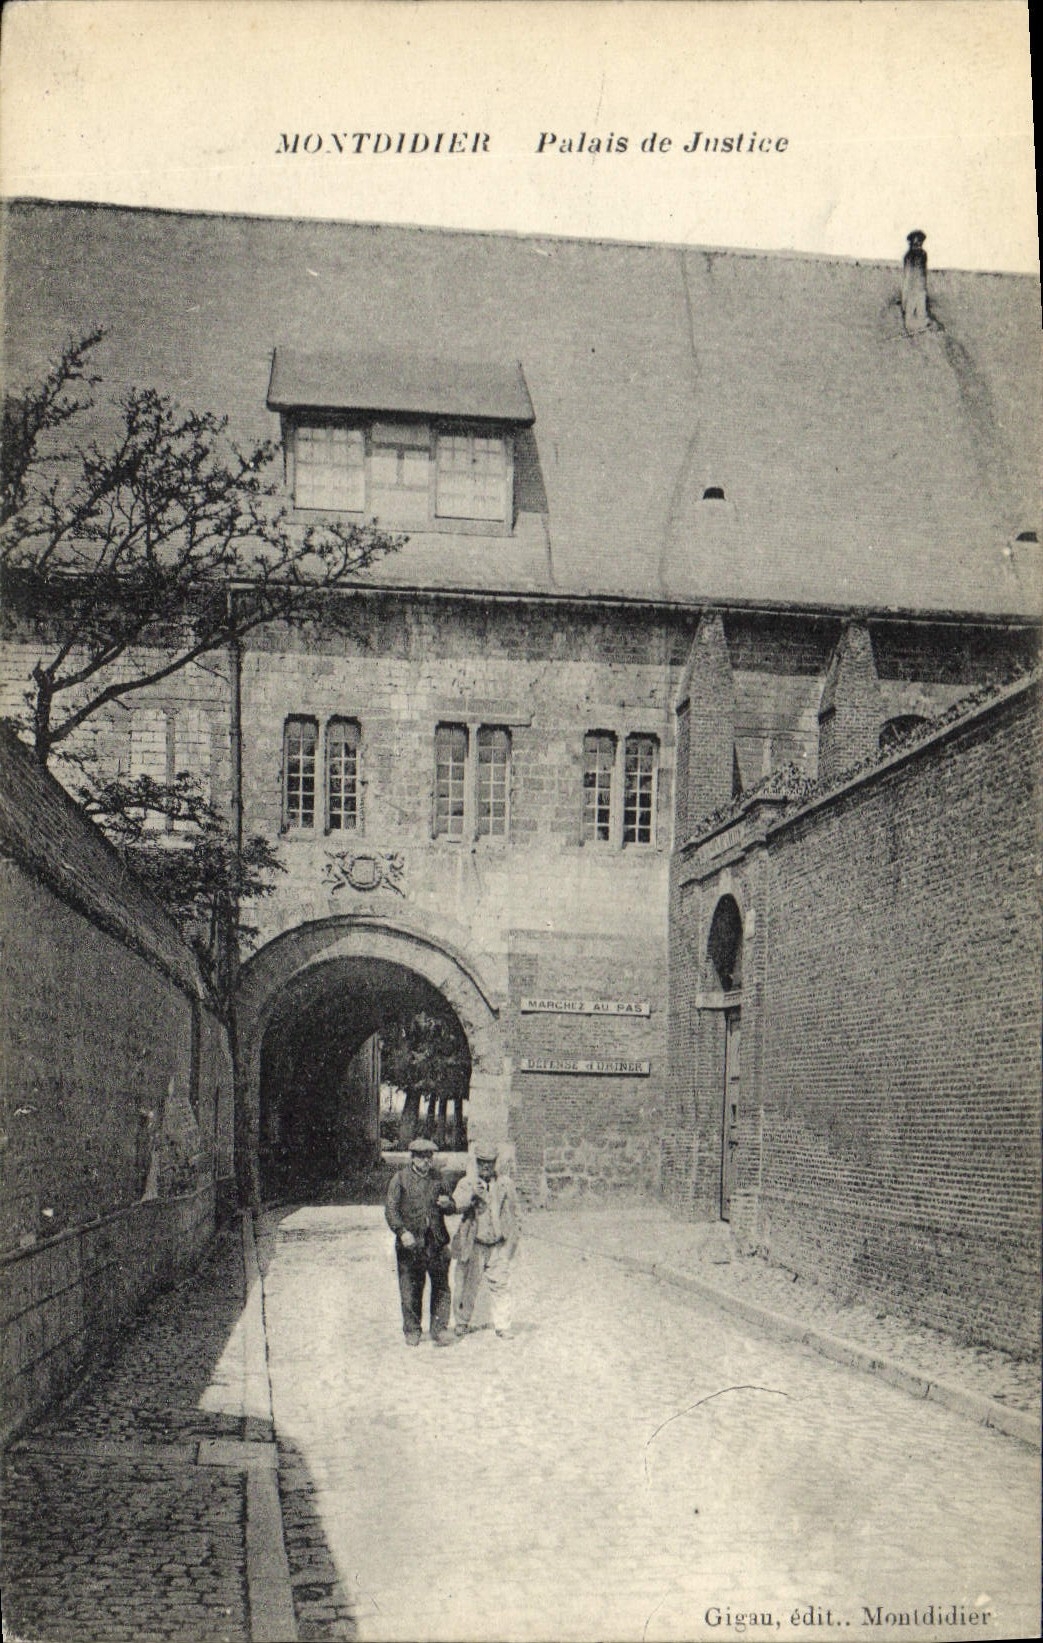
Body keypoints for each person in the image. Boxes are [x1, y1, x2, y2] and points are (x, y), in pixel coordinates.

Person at [384, 1137, 457, 1347]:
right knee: (410, 1288)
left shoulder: (438, 1178)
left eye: (429, 1157)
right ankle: (413, 1330)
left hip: (436, 1242)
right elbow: (391, 1209)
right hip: (411, 1244)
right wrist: (401, 1231)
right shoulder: (400, 1179)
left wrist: (447, 1204)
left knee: (441, 1287)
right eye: (422, 1157)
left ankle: (439, 1329)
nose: (426, 1161)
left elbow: (451, 1206)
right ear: (413, 1158)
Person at [452, 1142, 521, 1339]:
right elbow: (456, 1205)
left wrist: (512, 1241)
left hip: (498, 1244)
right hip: (475, 1243)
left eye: (489, 1163)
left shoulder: (505, 1184)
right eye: (482, 1163)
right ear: (476, 1162)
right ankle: (462, 1322)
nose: (485, 1167)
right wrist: (472, 1196)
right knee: (468, 1285)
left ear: (495, 1163)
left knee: (501, 1285)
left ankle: (503, 1325)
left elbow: (516, 1213)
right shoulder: (467, 1183)